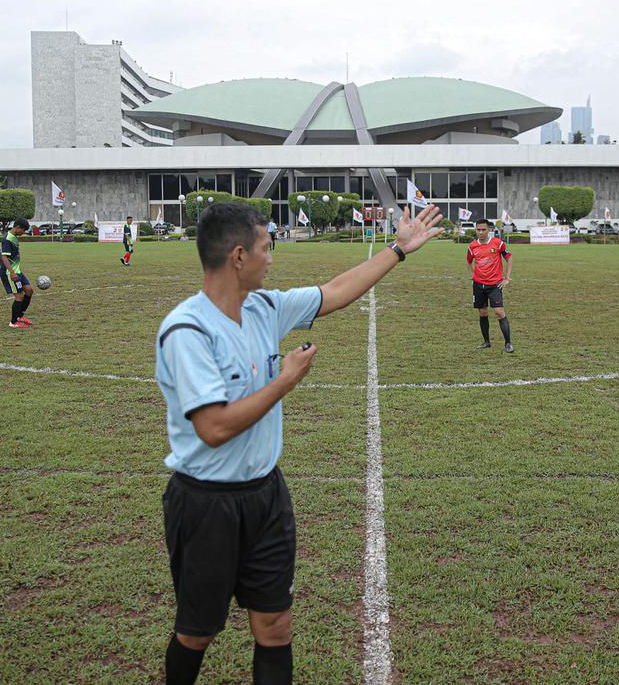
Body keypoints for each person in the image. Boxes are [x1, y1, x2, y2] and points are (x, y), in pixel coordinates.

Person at [155, 202, 442, 685]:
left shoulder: (265, 307)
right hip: (206, 504)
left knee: (275, 625)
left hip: (266, 496)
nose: (273, 258)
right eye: (268, 248)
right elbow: (214, 428)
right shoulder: (188, 330)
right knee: (197, 632)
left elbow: (333, 293)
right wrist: (284, 381)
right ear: (239, 256)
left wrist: (398, 250)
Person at [466, 218, 514, 353]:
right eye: (478, 230)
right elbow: (468, 262)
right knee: (483, 313)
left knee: (499, 312)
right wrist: (472, 276)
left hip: (495, 285)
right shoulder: (472, 246)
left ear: (489, 230)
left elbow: (509, 258)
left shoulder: (498, 244)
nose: (481, 232)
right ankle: (486, 342)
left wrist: (507, 278)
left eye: (483, 230)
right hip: (478, 285)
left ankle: (508, 343)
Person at [0, 218, 36, 327]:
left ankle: (20, 315)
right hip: (10, 273)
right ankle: (13, 322)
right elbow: (4, 257)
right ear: (18, 227)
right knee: (19, 296)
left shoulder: (14, 237)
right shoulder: (7, 239)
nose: (23, 233)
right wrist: (12, 273)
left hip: (17, 271)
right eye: (23, 230)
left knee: (29, 290)